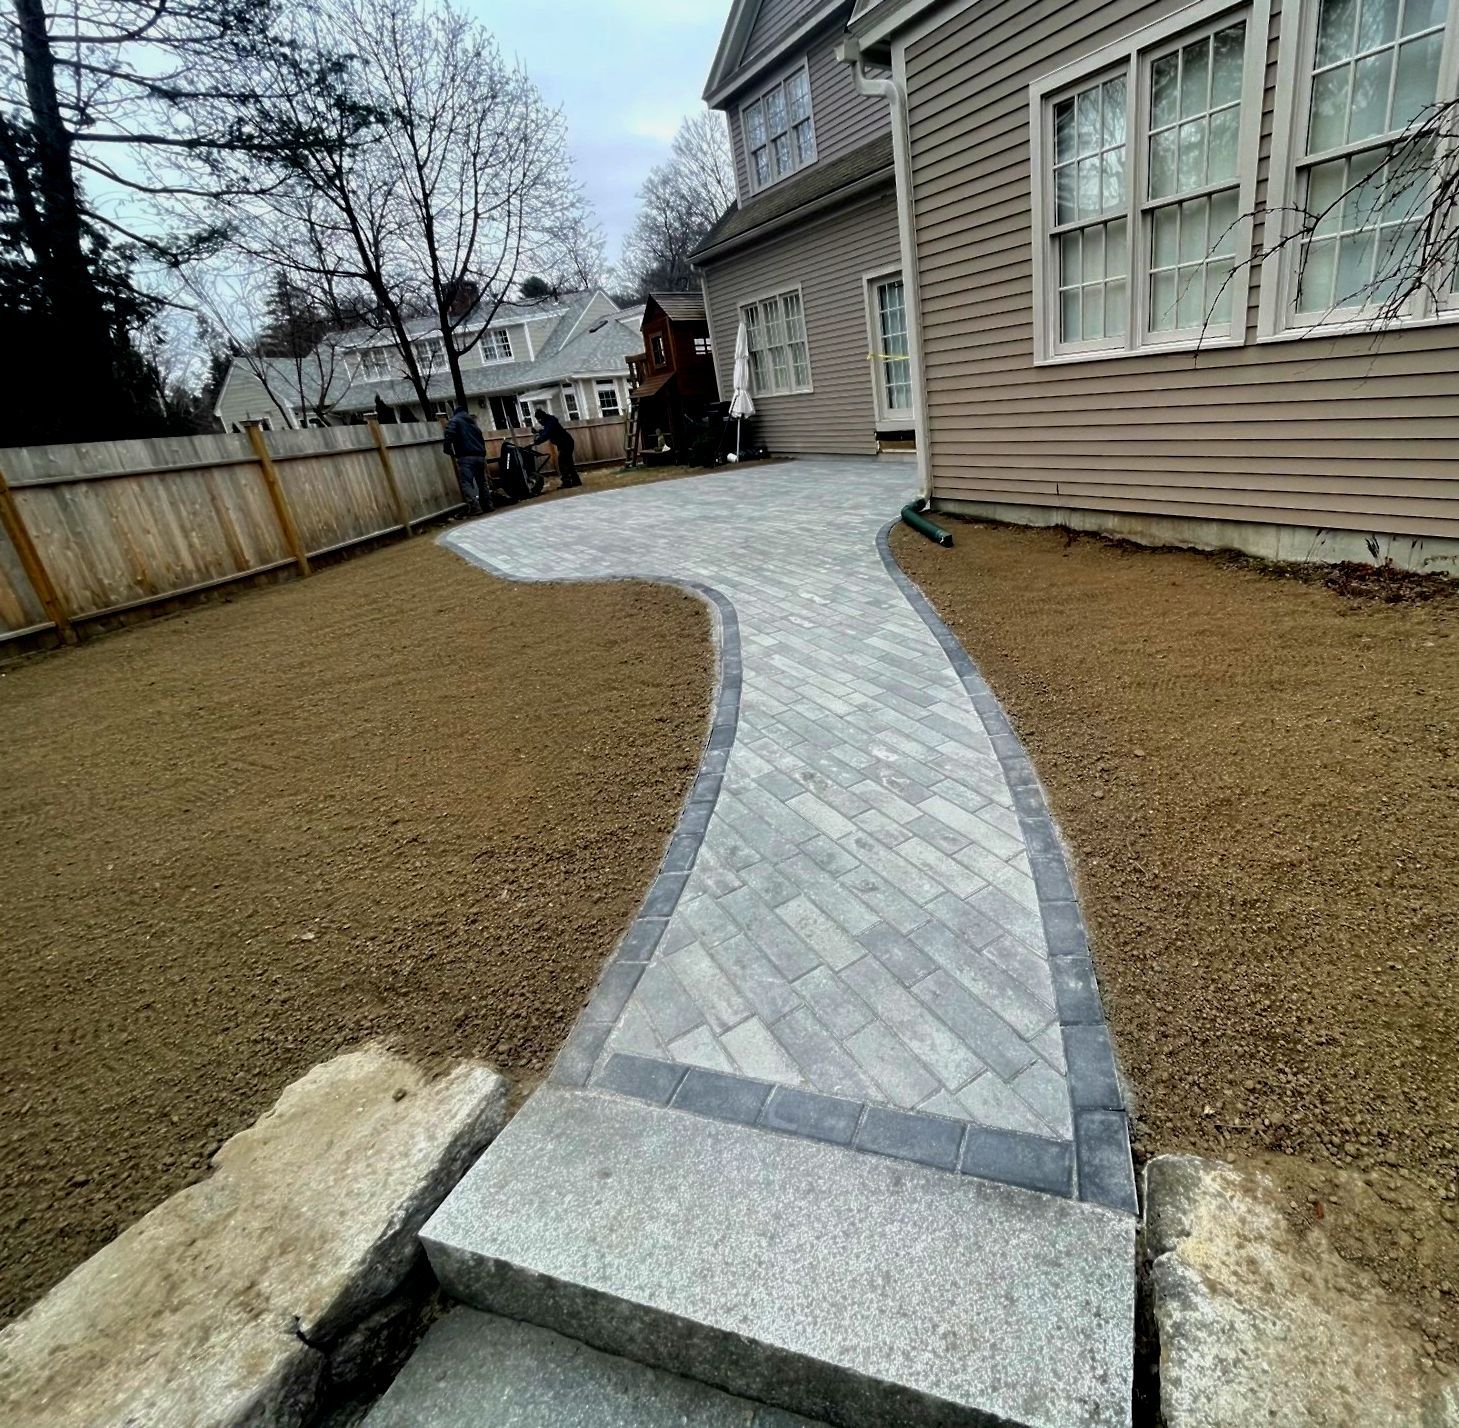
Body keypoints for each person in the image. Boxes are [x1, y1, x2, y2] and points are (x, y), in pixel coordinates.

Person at [442, 403, 492, 515]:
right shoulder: (473, 424)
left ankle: (475, 507)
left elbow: (449, 433)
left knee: (466, 483)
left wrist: (447, 448)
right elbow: (481, 439)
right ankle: (488, 505)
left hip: (466, 457)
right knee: (482, 482)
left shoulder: (455, 420)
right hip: (480, 457)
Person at [531, 406, 581, 490]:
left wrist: (538, 441)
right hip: (564, 443)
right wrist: (538, 432)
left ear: (541, 418)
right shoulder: (549, 422)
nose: (539, 422)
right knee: (568, 462)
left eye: (539, 420)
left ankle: (567, 482)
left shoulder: (550, 422)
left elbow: (547, 434)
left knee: (563, 463)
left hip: (565, 443)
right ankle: (576, 481)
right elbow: (545, 431)